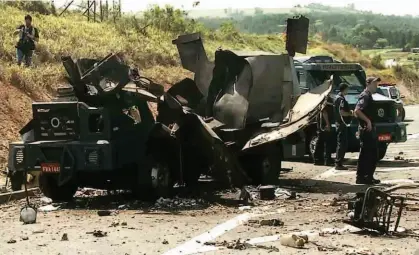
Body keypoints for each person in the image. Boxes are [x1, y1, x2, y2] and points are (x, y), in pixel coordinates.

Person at [354, 77, 381, 185]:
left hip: (369, 129)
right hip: (366, 130)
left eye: (376, 84)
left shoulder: (369, 96)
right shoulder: (365, 95)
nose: (376, 86)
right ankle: (363, 177)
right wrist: (367, 121)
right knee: (368, 154)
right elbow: (357, 110)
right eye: (374, 84)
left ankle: (368, 176)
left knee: (371, 154)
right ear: (368, 84)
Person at [334, 83, 353, 170]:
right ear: (344, 89)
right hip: (341, 123)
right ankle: (338, 163)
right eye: (347, 89)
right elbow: (341, 112)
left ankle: (339, 162)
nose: (348, 91)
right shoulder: (340, 99)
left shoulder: (338, 98)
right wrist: (350, 113)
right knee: (342, 144)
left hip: (341, 123)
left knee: (342, 143)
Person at [313, 93, 334, 166]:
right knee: (326, 142)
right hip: (324, 124)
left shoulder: (322, 97)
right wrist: (327, 124)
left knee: (321, 141)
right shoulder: (325, 98)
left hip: (322, 123)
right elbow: (324, 111)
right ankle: (326, 159)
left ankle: (319, 159)